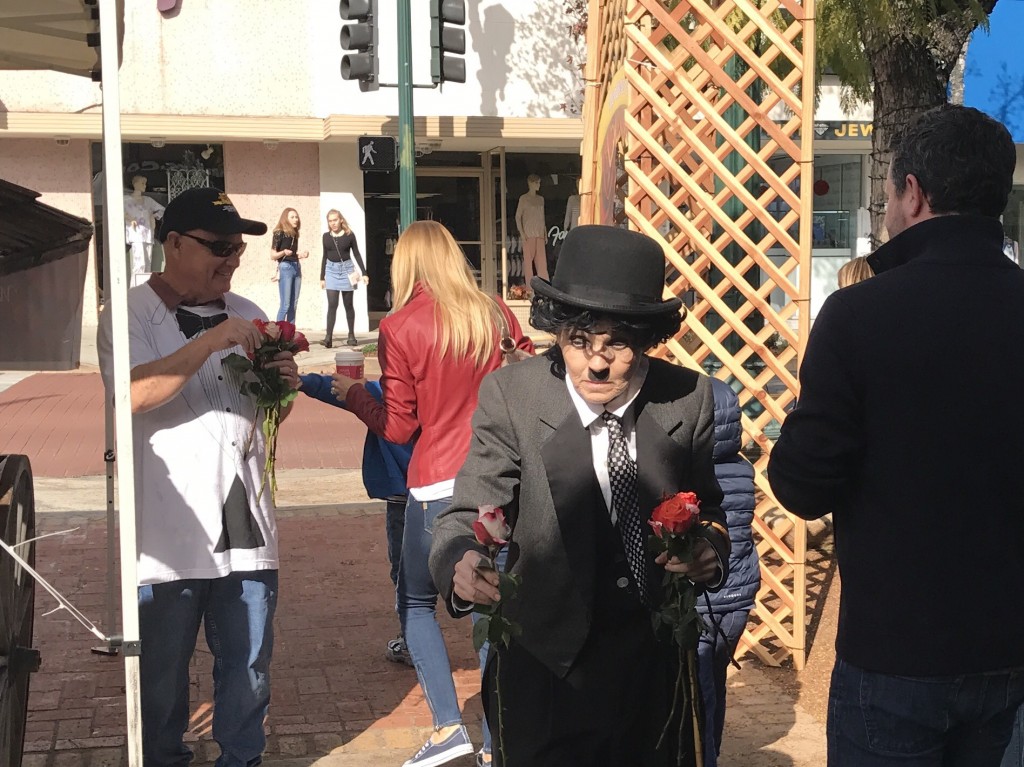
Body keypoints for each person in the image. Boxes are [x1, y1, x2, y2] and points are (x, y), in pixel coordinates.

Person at [768, 104, 1024, 766]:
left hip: (894, 650)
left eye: (886, 193)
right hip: (1007, 649)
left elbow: (801, 484)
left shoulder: (859, 314)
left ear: (913, 192)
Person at [429, 224, 731, 767]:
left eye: (617, 343)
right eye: (579, 342)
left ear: (645, 338)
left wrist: (709, 550)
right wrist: (461, 560)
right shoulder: (514, 397)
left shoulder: (688, 399)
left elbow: (708, 509)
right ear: (557, 332)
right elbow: (466, 511)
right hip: (546, 670)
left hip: (651, 676)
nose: (596, 362)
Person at [97, 186, 300, 766]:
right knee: (162, 674)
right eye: (219, 247)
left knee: (249, 664)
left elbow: (265, 414)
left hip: (245, 519)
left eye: (238, 248)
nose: (232, 259)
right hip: (169, 527)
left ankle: (242, 759)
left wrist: (282, 387)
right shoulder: (128, 314)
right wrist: (209, 342)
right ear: (175, 244)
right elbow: (132, 396)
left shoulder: (250, 313)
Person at [331, 220, 533, 767]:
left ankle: (448, 726)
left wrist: (354, 395)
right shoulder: (494, 312)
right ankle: (495, 739)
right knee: (490, 607)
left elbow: (398, 427)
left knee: (417, 603)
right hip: (500, 480)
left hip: (437, 482)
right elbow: (528, 376)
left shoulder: (400, 325)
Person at [297, 373, 414, 666]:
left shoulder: (390, 392)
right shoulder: (444, 384)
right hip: (447, 489)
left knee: (406, 576)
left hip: (405, 495)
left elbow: (342, 391)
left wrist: (303, 381)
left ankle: (413, 641)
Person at [697, 378, 760, 767]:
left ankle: (705, 757)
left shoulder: (692, 477)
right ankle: (713, 751)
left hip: (703, 601)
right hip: (738, 597)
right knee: (714, 683)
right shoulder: (742, 469)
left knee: (699, 693)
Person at [320, 209, 368, 348]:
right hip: (331, 270)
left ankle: (351, 335)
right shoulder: (326, 237)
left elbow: (356, 254)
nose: (333, 223)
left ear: (341, 220)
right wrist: (322, 277)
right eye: (330, 221)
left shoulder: (349, 235)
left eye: (335, 220)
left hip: (347, 270)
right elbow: (324, 256)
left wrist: (364, 273)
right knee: (332, 304)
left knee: (348, 304)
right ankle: (328, 337)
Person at [271, 207, 308, 323]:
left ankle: (290, 332)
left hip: (296, 267)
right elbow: (273, 255)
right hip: (285, 267)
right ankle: (278, 332)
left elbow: (292, 254)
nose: (296, 219)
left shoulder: (294, 234)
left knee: (293, 305)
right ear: (285, 219)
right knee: (285, 305)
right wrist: (283, 252)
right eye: (292, 217)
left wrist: (300, 255)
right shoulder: (279, 232)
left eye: (296, 217)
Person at [124, 174, 165, 277]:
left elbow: (162, 210)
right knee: (139, 263)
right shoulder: (126, 200)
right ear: (135, 184)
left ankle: (145, 284)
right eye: (142, 183)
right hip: (135, 234)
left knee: (147, 263)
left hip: (148, 234)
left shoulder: (148, 200)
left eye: (145, 183)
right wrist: (129, 219)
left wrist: (153, 216)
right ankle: (137, 285)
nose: (145, 186)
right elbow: (117, 210)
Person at [515, 174, 548, 287]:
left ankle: (545, 288)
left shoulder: (541, 199)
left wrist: (545, 232)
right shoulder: (524, 199)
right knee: (528, 265)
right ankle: (529, 289)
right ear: (530, 183)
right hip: (528, 235)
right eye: (536, 183)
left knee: (542, 265)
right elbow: (518, 217)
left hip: (539, 234)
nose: (539, 185)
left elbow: (542, 217)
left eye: (539, 183)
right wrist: (522, 233)